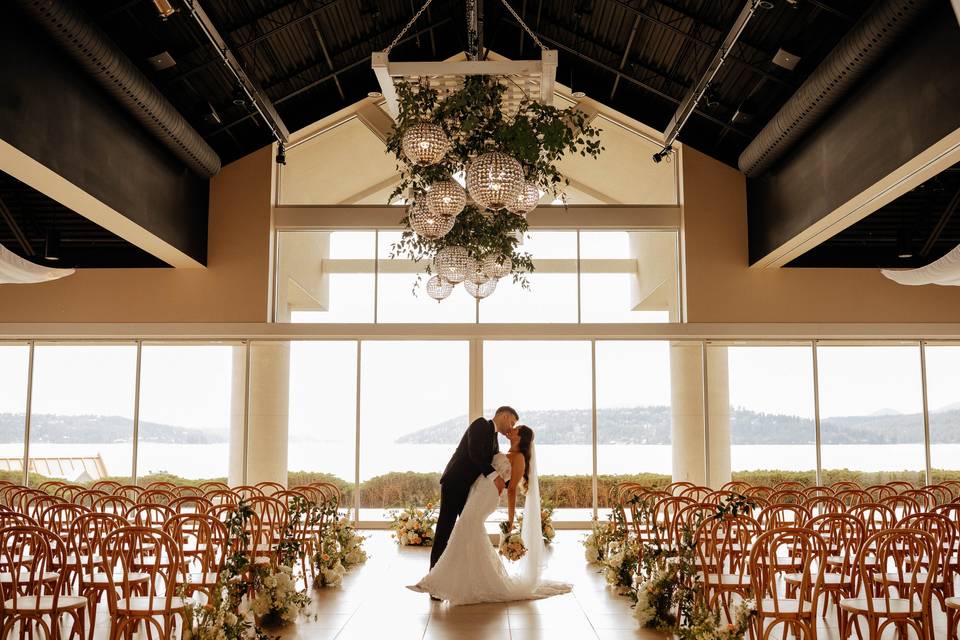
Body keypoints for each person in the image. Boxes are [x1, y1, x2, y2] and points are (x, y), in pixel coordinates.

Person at [409, 423, 571, 605]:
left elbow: (511, 491)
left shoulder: (519, 458)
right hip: (476, 492)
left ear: (521, 437)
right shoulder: (500, 449)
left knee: (464, 529)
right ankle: (468, 579)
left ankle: (435, 582)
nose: (511, 429)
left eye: (515, 429)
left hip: (487, 498)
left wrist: (510, 520)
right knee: (469, 533)